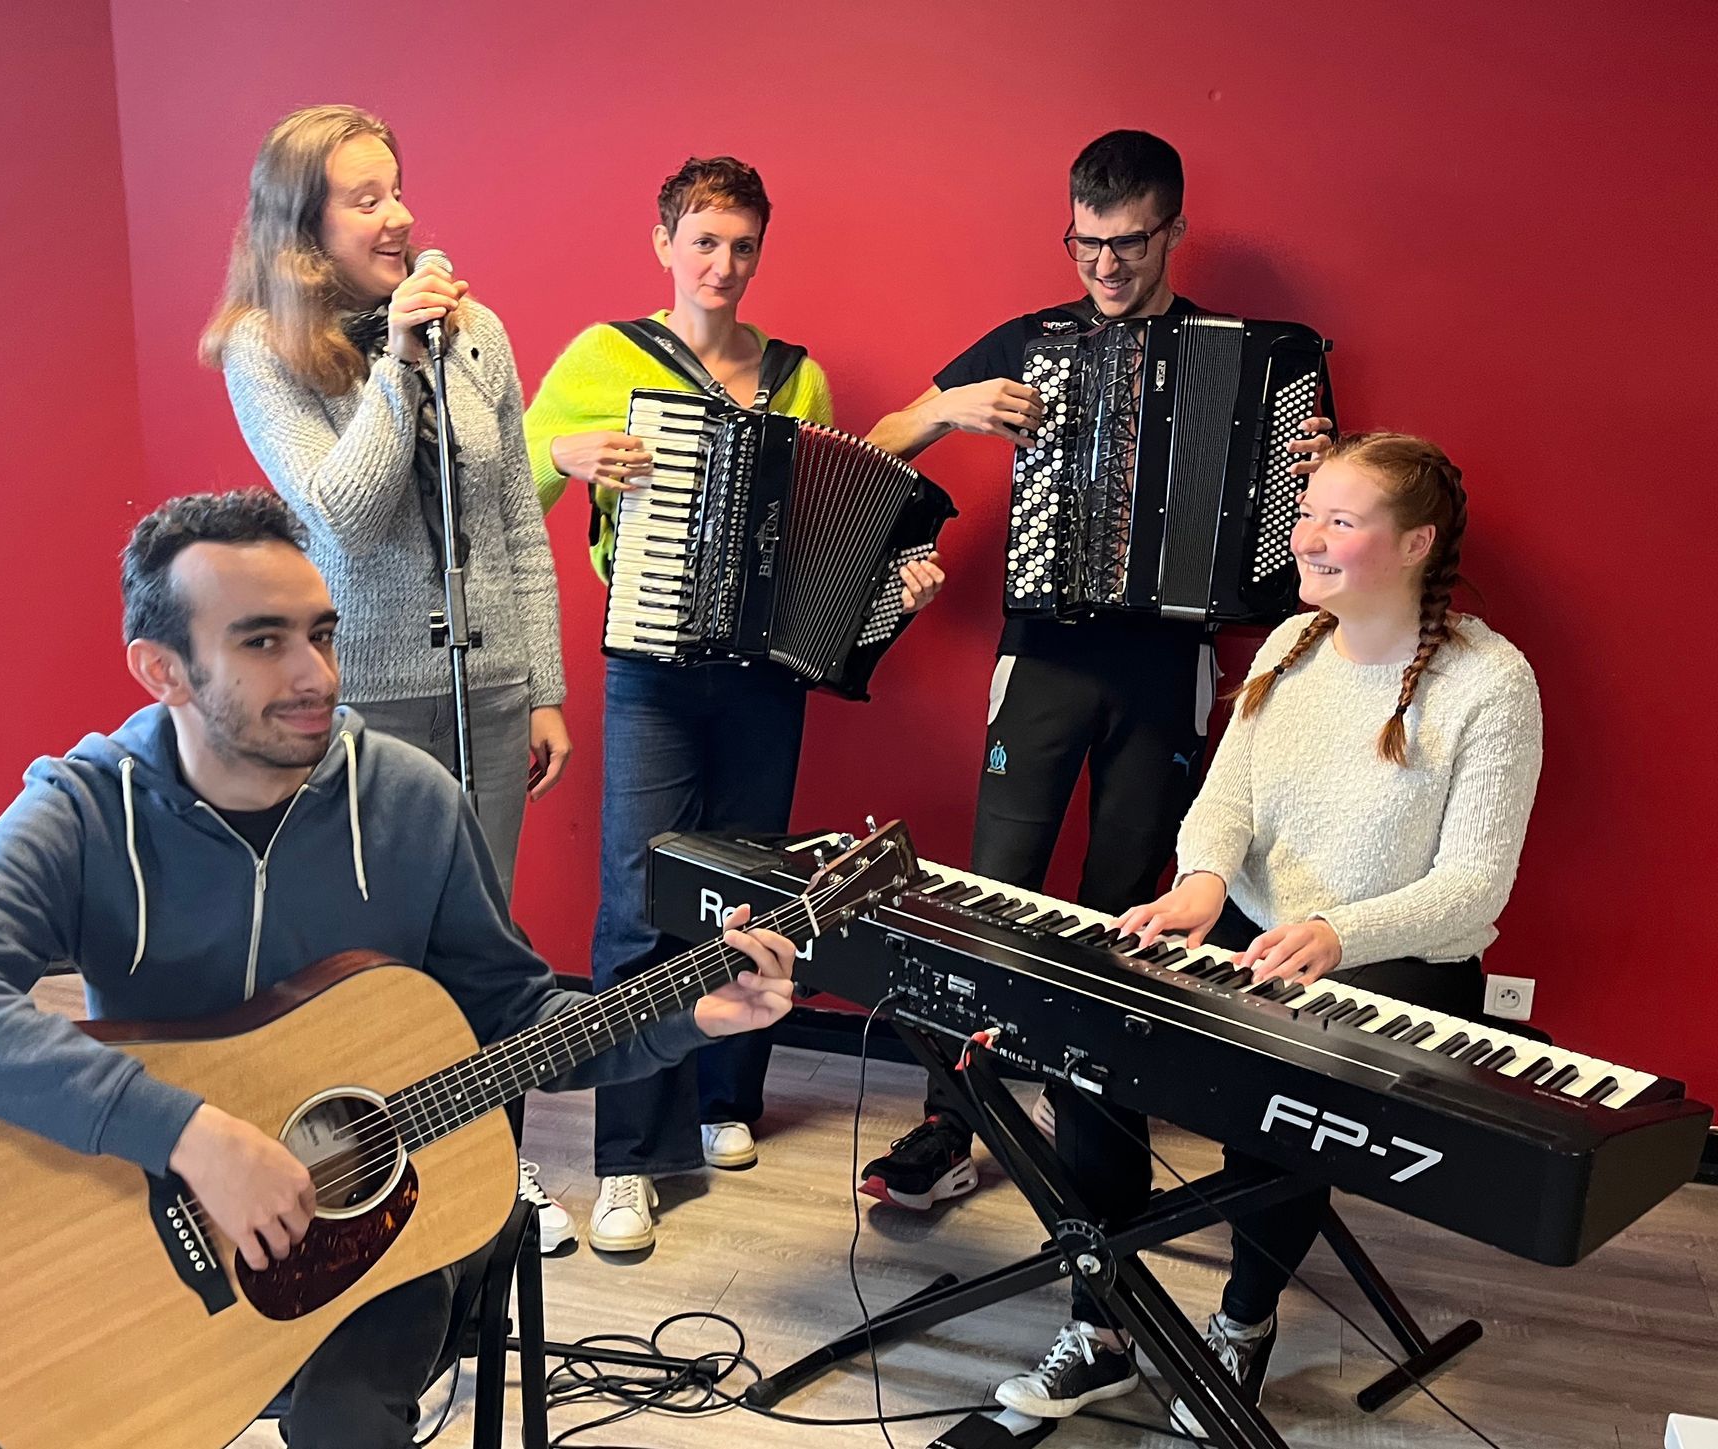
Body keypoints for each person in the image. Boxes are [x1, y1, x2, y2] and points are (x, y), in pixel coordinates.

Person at [0, 491, 796, 1449]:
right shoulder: (86, 809)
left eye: (321, 633)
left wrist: (688, 1015)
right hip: (135, 1239)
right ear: (162, 669)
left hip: (383, 1238)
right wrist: (192, 1136)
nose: (316, 674)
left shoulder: (412, 801)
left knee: (346, 1424)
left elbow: (516, 1021)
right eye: (263, 641)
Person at [989, 433, 1543, 1426]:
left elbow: (1473, 889)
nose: (1307, 538)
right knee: (1085, 1049)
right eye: (1306, 514)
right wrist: (1202, 882)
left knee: (1278, 1100)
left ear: (1416, 543)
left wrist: (1335, 933)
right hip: (1250, 937)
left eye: (1340, 520)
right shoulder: (1291, 642)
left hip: (1396, 965)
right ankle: (1104, 1326)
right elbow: (1224, 802)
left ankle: (1243, 1323)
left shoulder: (1490, 680)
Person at [858, 128, 1330, 1211]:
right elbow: (881, 441)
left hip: (1170, 667)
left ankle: (1093, 1125)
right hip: (1044, 656)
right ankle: (951, 1122)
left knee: (1128, 909)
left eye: (1129, 244)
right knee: (990, 894)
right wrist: (947, 408)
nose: (1106, 267)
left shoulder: (1255, 361)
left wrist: (1314, 466)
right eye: (1086, 244)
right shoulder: (1031, 340)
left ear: (1173, 231)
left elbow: (1317, 519)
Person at [525, 156, 944, 1254]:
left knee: (753, 891)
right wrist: (564, 450)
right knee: (637, 899)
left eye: (742, 246)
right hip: (652, 665)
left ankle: (726, 1098)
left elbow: (823, 532)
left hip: (766, 671)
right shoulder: (605, 355)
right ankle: (628, 1154)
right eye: (703, 241)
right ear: (663, 243)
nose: (722, 264)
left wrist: (890, 587)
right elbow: (511, 480)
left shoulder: (797, 378)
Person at [201, 104, 576, 1241]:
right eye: (366, 199)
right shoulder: (264, 350)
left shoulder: (480, 333)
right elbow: (346, 515)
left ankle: (490, 1168)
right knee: (367, 957)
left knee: (482, 946)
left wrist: (543, 684)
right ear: (303, 226)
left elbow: (514, 523)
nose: (399, 216)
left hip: (487, 686)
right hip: (357, 700)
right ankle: (369, 1173)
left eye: (398, 189)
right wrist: (397, 367)